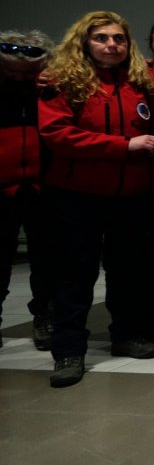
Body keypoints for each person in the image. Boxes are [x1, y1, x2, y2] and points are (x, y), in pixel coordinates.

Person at [37, 11, 154, 387]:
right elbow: (57, 134)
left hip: (133, 196)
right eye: (101, 38)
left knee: (132, 272)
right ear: (84, 42)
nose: (111, 45)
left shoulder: (142, 86)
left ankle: (128, 335)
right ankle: (68, 350)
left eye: (118, 39)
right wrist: (123, 146)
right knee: (73, 276)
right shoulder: (62, 82)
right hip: (77, 197)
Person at [1, 29, 55, 351]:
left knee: (47, 263)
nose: (20, 77)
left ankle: (44, 318)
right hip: (1, 191)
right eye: (12, 71)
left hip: (45, 188)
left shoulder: (51, 92)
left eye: (28, 73)